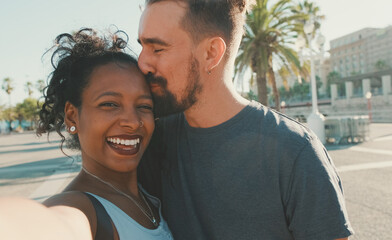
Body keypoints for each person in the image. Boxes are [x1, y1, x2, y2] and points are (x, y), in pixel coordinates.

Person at [137, 1, 354, 240]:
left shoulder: (296, 153)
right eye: (142, 47)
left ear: (211, 53)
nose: (142, 64)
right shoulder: (152, 139)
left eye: (157, 49)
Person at [0, 28, 173, 240]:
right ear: (72, 117)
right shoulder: (81, 209)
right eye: (110, 104)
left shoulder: (151, 196)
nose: (132, 121)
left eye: (144, 106)